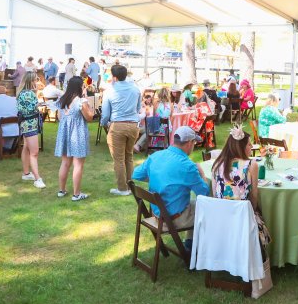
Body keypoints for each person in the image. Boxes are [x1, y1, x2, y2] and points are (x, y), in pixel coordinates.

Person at [131, 126, 210, 232]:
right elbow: (204, 193)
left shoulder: (156, 156)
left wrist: (160, 177)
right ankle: (197, 244)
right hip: (174, 219)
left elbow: (135, 174)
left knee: (192, 204)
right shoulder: (188, 166)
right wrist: (202, 174)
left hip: (157, 214)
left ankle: (189, 241)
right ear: (189, 143)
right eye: (194, 143)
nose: (193, 146)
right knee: (208, 207)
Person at [100, 64, 142, 197]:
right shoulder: (136, 89)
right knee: (128, 156)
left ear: (114, 77)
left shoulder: (109, 91)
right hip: (133, 125)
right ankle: (130, 186)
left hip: (118, 124)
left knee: (118, 159)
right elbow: (138, 107)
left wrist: (103, 123)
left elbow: (105, 113)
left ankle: (122, 188)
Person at [54, 77, 94, 201]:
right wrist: (88, 103)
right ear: (79, 87)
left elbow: (60, 117)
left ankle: (62, 190)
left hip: (64, 134)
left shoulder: (62, 100)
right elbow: (90, 117)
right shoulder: (81, 101)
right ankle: (76, 194)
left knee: (65, 163)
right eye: (83, 85)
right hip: (78, 134)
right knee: (78, 164)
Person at [15, 71, 45, 188]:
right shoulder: (29, 94)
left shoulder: (22, 92)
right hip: (30, 124)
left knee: (27, 147)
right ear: (31, 81)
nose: (36, 82)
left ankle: (26, 173)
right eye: (35, 80)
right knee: (34, 152)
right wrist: (41, 105)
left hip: (25, 123)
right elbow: (32, 109)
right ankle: (38, 179)